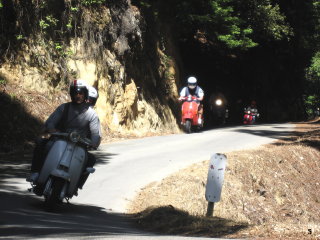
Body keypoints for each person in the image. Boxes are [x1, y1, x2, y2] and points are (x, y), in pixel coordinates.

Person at [26, 79, 102, 184]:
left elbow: (95, 134)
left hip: (80, 144)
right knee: (41, 143)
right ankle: (35, 172)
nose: (78, 96)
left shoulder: (92, 114)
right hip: (60, 139)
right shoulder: (64, 108)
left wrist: (94, 142)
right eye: (75, 93)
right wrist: (51, 128)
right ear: (71, 94)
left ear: (85, 94)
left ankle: (76, 184)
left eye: (81, 93)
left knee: (90, 159)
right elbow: (51, 121)